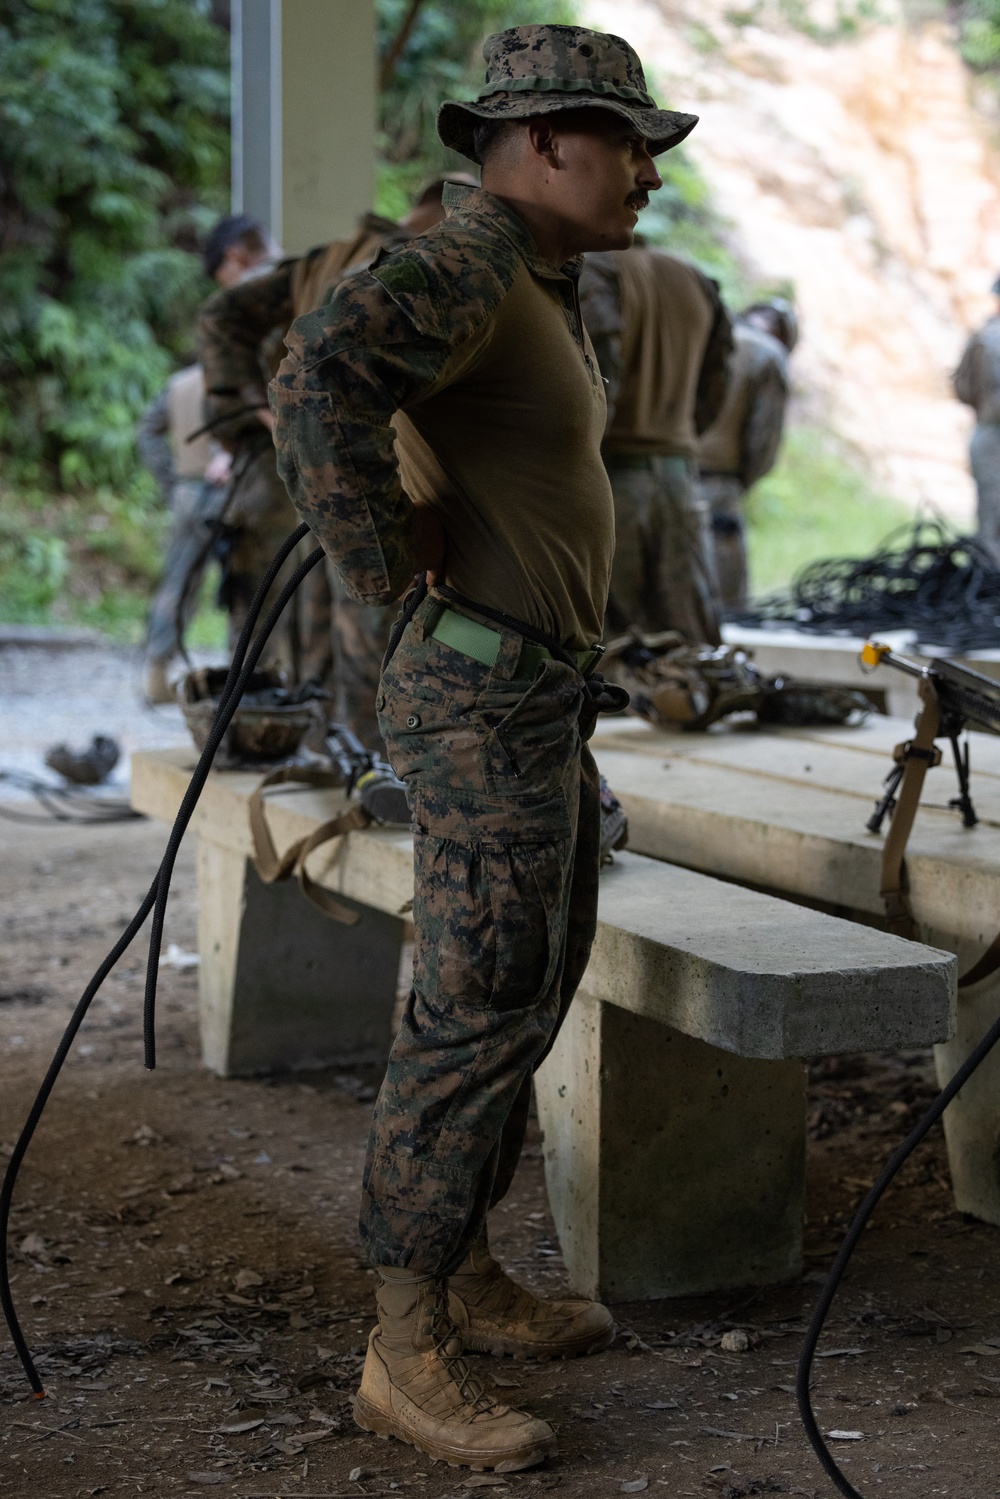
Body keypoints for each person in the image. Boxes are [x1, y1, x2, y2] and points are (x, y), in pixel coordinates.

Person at [271, 22, 696, 1472]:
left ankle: (461, 1272)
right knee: (474, 1004)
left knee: (526, 981)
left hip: (532, 694)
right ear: (544, 140)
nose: (645, 170)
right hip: (481, 689)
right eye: (625, 141)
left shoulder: (530, 276)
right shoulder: (459, 258)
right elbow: (315, 383)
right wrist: (387, 571)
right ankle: (403, 1344)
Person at [198, 176, 476, 742]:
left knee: (325, 628)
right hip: (389, 483)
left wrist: (264, 414)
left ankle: (340, 754)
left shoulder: (326, 260)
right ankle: (373, 768)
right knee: (379, 633)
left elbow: (222, 316)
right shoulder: (424, 266)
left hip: (325, 486)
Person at [579, 243, 732, 645]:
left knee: (606, 645)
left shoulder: (595, 269)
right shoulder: (694, 276)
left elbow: (598, 379)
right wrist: (681, 431)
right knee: (691, 642)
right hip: (681, 480)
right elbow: (718, 381)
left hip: (613, 480)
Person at [136, 366, 231, 703]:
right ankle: (247, 671)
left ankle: (157, 671)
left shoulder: (179, 383)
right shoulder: (241, 375)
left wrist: (173, 483)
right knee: (244, 584)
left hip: (188, 493)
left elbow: (147, 430)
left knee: (177, 583)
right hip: (232, 492)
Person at [697, 298, 797, 611]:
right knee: (727, 608)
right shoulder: (768, 355)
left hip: (657, 469)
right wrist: (741, 482)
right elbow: (763, 440)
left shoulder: (703, 332)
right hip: (719, 487)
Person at [953, 279, 1000, 566]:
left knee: (990, 517)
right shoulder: (986, 339)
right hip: (991, 436)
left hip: (988, 435)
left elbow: (962, 388)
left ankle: (988, 587)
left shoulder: (983, 337)